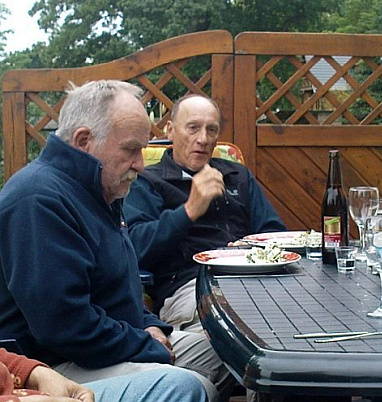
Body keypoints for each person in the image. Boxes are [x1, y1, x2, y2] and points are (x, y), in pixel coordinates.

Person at [0, 80, 233, 401]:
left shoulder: (100, 189)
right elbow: (64, 328)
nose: (140, 163)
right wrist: (145, 345)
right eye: (131, 149)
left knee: (232, 352)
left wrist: (150, 324)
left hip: (114, 341)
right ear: (84, 141)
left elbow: (115, 288)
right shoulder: (38, 200)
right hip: (52, 366)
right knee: (188, 388)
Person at [123, 94, 286, 330]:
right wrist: (189, 211)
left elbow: (274, 233)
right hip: (191, 286)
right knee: (243, 327)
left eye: (211, 130)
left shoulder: (237, 176)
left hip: (254, 280)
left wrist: (250, 248)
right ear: (171, 130)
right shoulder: (148, 182)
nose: (203, 139)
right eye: (193, 128)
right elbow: (135, 248)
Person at [0, 347, 206, 402]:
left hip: (16, 386)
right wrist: (149, 346)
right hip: (67, 354)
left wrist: (32, 372)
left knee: (182, 386)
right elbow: (69, 331)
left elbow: (128, 302)